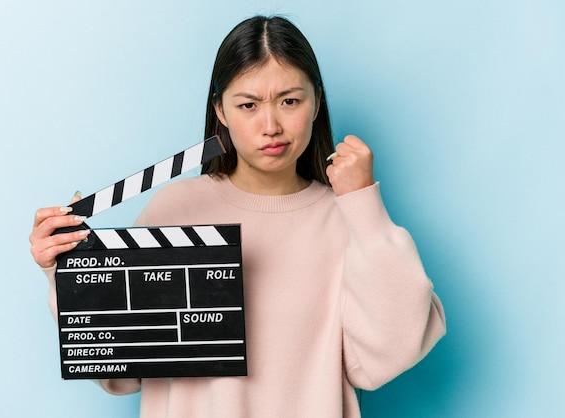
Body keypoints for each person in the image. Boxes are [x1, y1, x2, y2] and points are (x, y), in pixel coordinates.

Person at [30, 15, 445, 418]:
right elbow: (122, 373)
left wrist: (363, 205)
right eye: (248, 105)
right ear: (221, 112)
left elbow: (387, 354)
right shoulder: (173, 210)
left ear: (317, 102)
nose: (271, 126)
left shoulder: (347, 220)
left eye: (290, 101)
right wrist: (68, 271)